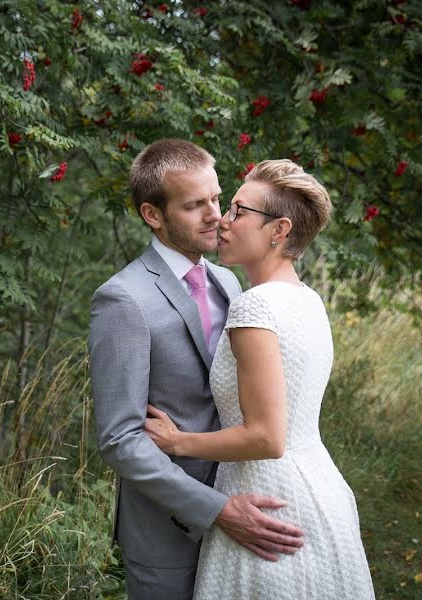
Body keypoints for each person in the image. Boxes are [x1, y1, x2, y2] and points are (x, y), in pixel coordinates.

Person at [144, 159, 375, 598]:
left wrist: (178, 443)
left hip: (267, 497)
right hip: (319, 488)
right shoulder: (306, 299)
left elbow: (267, 438)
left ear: (279, 230)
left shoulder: (255, 307)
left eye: (238, 211)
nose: (222, 221)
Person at [89, 140, 304, 600]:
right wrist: (216, 508)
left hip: (245, 503)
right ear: (153, 214)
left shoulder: (227, 280)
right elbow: (119, 440)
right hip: (169, 528)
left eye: (216, 199)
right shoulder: (123, 299)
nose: (215, 216)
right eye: (193, 205)